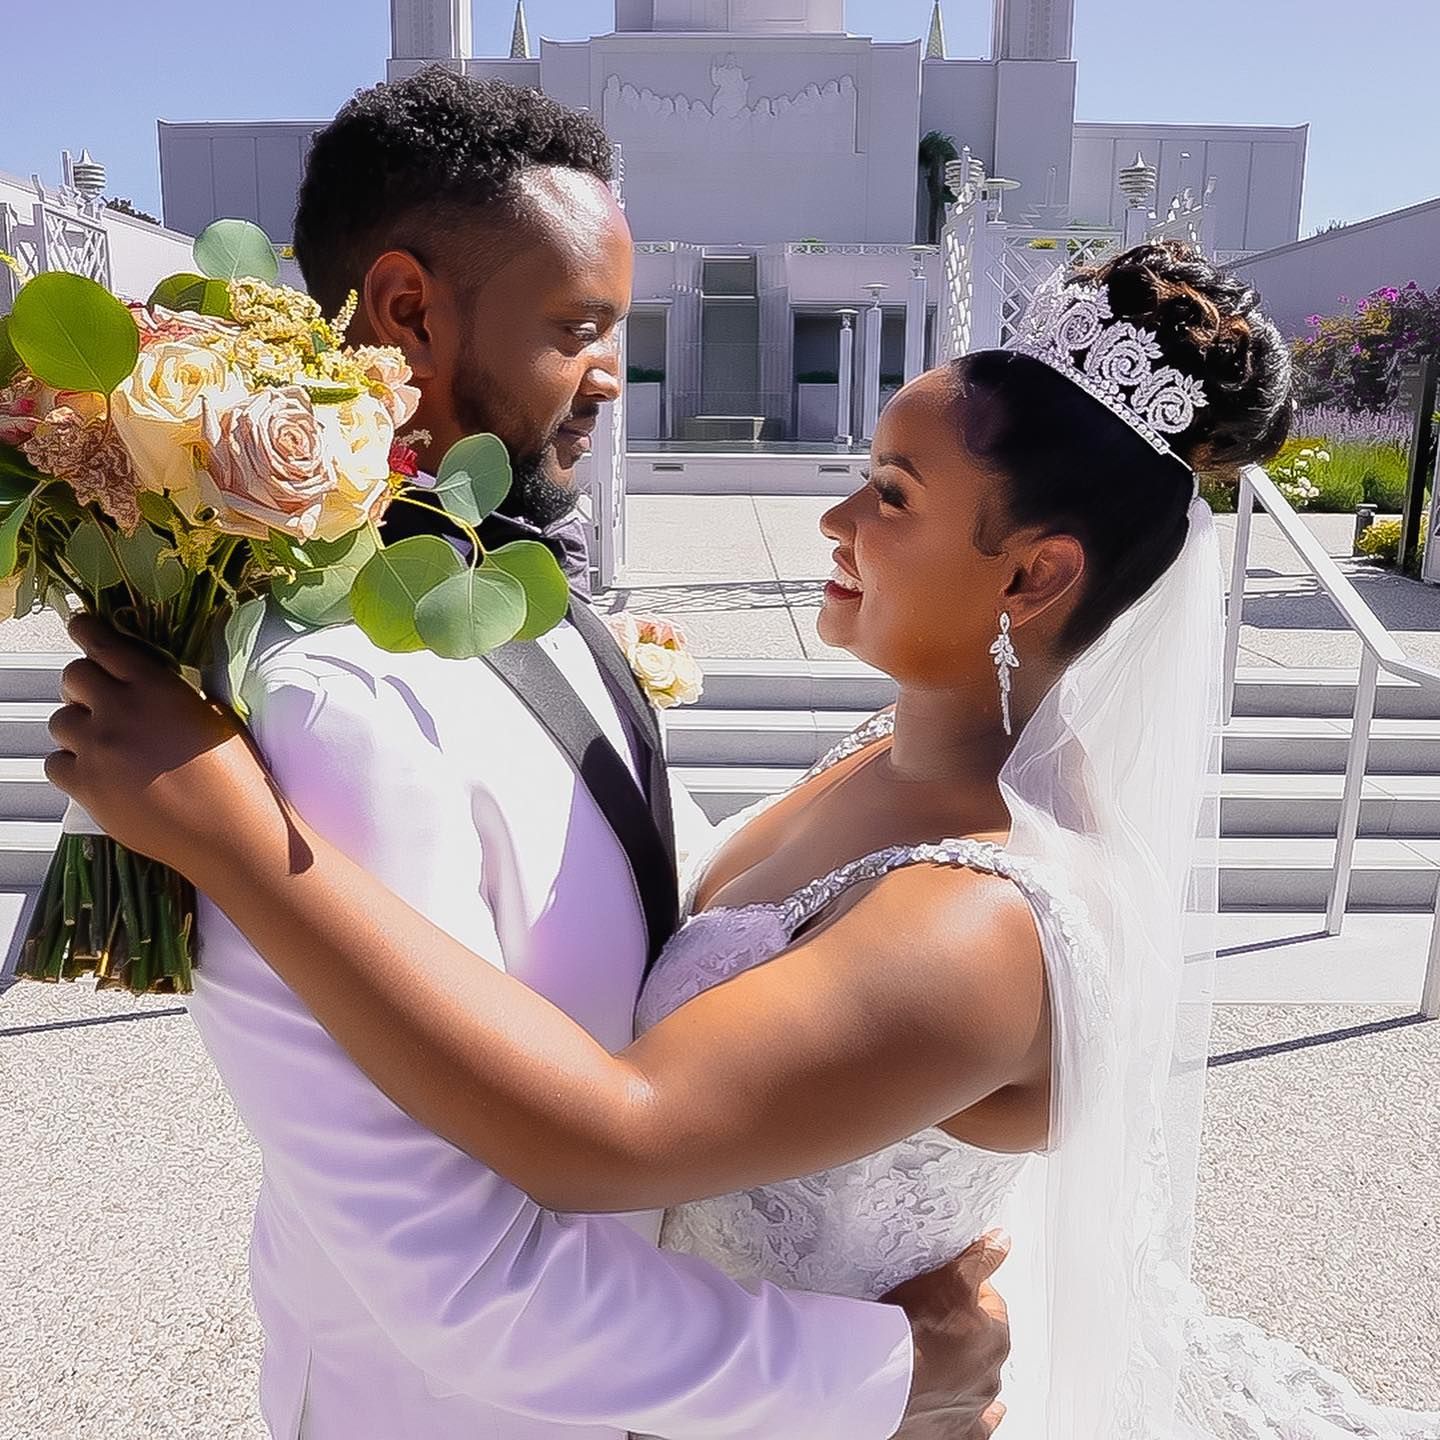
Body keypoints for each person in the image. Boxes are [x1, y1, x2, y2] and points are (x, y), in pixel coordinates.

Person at [51, 234, 1440, 1438]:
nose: (834, 521)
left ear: (1037, 575)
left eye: (891, 496)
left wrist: (235, 843)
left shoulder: (987, 917)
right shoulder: (879, 766)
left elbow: (611, 1134)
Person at [40, 71, 1014, 1440]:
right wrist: (888, 1373)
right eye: (578, 327)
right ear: (407, 312)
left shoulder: (530, 602)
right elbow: (470, 1284)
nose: (613, 371)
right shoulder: (333, 707)